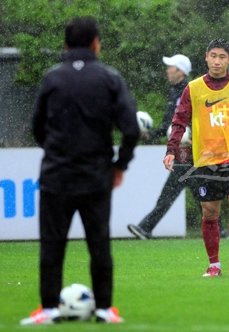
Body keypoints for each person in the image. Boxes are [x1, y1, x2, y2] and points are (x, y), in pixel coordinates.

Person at [21, 17, 139, 325]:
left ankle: (48, 310)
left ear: (65, 45)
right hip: (96, 174)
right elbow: (130, 128)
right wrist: (119, 165)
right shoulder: (109, 78)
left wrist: (57, 151)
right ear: (96, 43)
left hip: (56, 175)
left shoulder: (52, 78)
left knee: (52, 244)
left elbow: (37, 126)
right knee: (98, 243)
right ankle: (104, 308)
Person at [163, 39, 229, 277]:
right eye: (213, 56)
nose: (217, 61)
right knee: (209, 212)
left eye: (222, 57)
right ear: (206, 57)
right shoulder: (194, 88)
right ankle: (214, 264)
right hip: (206, 159)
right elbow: (179, 120)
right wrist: (171, 149)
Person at [127, 54, 194, 239]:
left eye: (171, 67)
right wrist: (149, 136)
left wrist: (194, 137)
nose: (167, 70)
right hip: (185, 153)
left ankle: (145, 228)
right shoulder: (174, 92)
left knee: (170, 194)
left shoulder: (189, 91)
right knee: (204, 195)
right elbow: (167, 127)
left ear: (180, 71)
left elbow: (195, 120)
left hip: (189, 153)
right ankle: (222, 231)